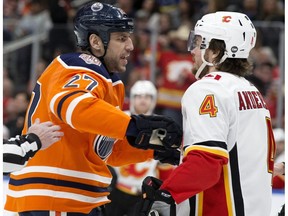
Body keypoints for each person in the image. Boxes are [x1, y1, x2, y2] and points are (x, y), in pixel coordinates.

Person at [4, 2, 182, 216]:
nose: (131, 46)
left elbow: (107, 151)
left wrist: (153, 148)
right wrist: (136, 126)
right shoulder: (81, 64)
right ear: (96, 42)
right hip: (56, 195)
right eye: (121, 38)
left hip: (74, 199)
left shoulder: (110, 82)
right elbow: (74, 107)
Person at [139, 11, 276, 216]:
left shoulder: (208, 89)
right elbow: (237, 158)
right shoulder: (250, 90)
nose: (193, 49)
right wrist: (182, 155)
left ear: (215, 50)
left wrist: (166, 196)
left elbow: (206, 163)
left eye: (198, 41)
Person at [105, 80, 176, 216]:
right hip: (115, 191)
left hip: (142, 193)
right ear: (132, 98)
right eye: (139, 96)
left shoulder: (161, 127)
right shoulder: (121, 119)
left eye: (147, 97)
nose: (143, 100)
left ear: (153, 99)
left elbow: (164, 165)